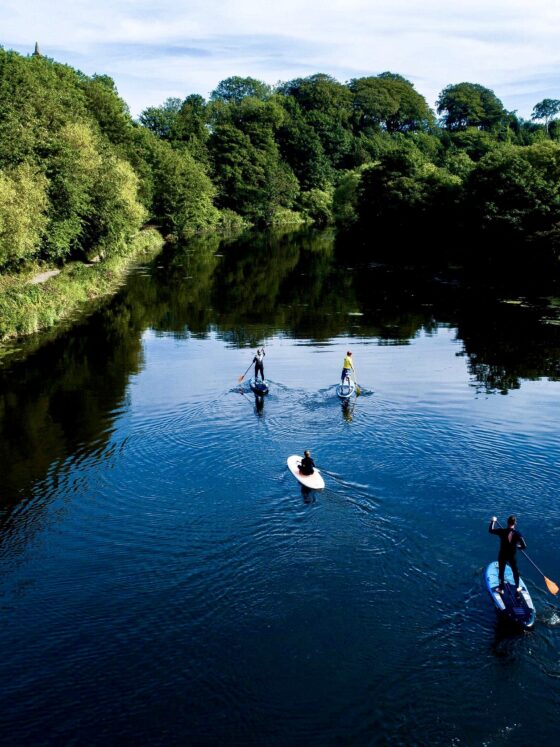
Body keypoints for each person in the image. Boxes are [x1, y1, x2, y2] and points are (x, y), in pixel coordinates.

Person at [489, 515, 527, 594]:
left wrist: (493, 521)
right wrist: (518, 546)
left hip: (502, 555)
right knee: (515, 571)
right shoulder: (518, 534)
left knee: (501, 572)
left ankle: (501, 589)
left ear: (507, 522)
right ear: (515, 523)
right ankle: (517, 587)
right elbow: (524, 546)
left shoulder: (502, 531)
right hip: (512, 556)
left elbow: (491, 530)